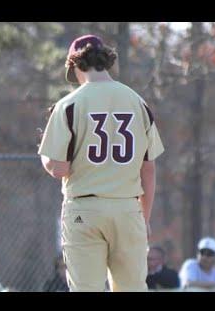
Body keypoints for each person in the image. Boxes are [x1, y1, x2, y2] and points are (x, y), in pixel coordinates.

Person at [38, 35, 165, 292]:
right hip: (128, 210)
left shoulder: (68, 105)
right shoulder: (138, 103)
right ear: (106, 60)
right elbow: (148, 169)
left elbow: (58, 168)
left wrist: (44, 152)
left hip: (85, 209)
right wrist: (144, 217)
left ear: (75, 64)